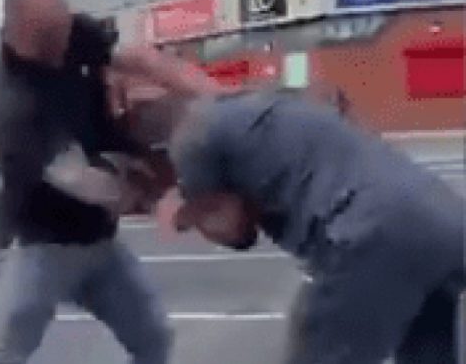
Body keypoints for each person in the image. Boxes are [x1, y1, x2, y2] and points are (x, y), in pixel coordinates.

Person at [156, 88, 465, 363]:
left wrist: (190, 215)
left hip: (371, 232)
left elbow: (234, 229)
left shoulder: (191, 139)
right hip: (444, 215)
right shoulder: (264, 102)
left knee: (318, 345)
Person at [0, 0, 175, 364]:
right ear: (15, 34)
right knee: (3, 355)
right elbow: (90, 184)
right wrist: (155, 188)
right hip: (40, 246)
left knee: (154, 340)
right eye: (46, 40)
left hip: (99, 243)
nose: (60, 49)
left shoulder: (75, 32)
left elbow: (134, 59)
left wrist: (196, 97)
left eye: (61, 32)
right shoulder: (12, 106)